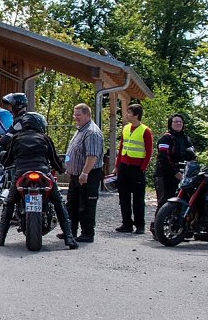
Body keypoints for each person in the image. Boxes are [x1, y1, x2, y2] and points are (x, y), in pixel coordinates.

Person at [0, 112, 78, 249]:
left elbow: (8, 158)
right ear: (39, 124)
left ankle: (0, 238)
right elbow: (54, 159)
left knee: (9, 203)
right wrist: (61, 169)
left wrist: (3, 163)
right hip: (43, 173)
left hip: (22, 174)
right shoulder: (44, 138)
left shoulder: (16, 138)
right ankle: (69, 237)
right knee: (58, 202)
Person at [63, 103, 105, 243]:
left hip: (88, 175)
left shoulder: (92, 132)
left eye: (78, 115)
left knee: (86, 205)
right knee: (72, 204)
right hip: (75, 175)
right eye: (75, 115)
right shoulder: (81, 129)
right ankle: (70, 231)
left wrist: (85, 173)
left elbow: (92, 156)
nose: (76, 117)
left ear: (87, 115)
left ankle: (87, 233)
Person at [112, 104, 153, 234]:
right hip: (124, 166)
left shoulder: (145, 130)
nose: (126, 115)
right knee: (123, 197)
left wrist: (143, 168)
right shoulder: (125, 128)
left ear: (136, 115)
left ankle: (140, 225)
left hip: (137, 168)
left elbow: (149, 151)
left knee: (138, 199)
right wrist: (117, 166)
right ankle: (126, 223)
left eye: (129, 113)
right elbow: (121, 148)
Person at [153, 113, 195, 232]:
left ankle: (178, 229)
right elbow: (163, 157)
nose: (178, 124)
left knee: (182, 202)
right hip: (165, 175)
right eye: (175, 122)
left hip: (183, 175)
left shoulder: (186, 139)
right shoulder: (165, 138)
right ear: (170, 124)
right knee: (164, 202)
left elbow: (192, 156)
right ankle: (157, 229)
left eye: (180, 122)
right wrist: (175, 173)